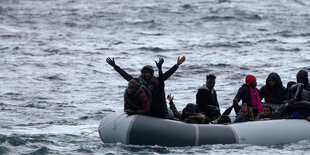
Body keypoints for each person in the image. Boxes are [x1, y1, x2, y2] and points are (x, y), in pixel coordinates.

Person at [106, 56, 185, 86]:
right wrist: (115, 66)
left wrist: (177, 65)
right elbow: (125, 75)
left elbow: (167, 74)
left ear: (152, 74)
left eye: (149, 73)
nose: (147, 74)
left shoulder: (156, 80)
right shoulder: (137, 82)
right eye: (146, 72)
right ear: (142, 73)